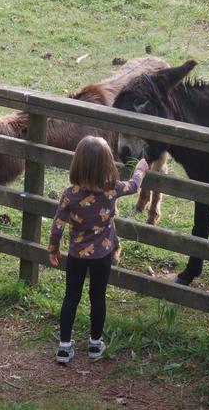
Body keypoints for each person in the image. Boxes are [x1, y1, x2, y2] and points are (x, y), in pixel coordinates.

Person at [48, 136, 149, 364]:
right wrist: (141, 168)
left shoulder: (70, 194)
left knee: (71, 297)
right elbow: (134, 186)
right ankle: (95, 344)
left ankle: (64, 347)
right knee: (98, 297)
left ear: (78, 163)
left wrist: (53, 248)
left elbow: (57, 225)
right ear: (107, 165)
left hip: (76, 256)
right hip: (102, 256)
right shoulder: (112, 190)